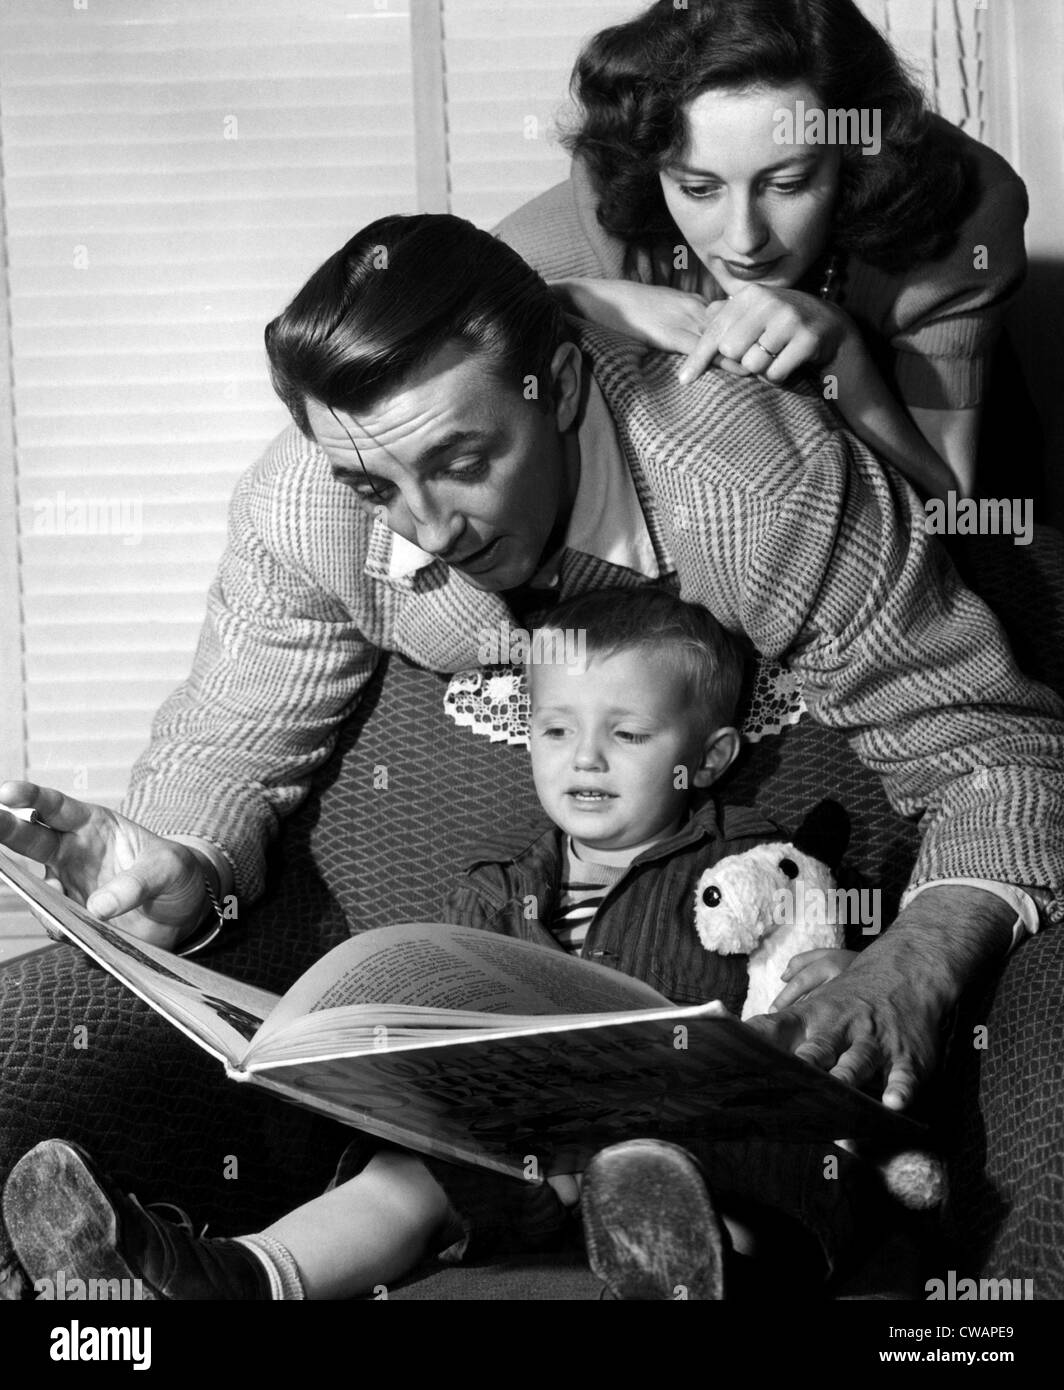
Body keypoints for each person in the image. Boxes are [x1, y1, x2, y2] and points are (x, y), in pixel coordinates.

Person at [0, 213, 1061, 1285]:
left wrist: (908, 966)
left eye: (461, 462)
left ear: (555, 386)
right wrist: (182, 866)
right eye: (378, 487)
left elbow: (991, 747)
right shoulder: (308, 503)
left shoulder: (753, 483)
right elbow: (226, 746)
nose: (426, 529)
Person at [3, 588, 870, 1301]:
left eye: (628, 734)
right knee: (400, 1175)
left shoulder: (753, 867)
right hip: (515, 1156)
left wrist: (823, 981)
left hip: (684, 1147)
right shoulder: (497, 890)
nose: (586, 760)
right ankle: (220, 1280)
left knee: (705, 1173)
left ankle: (696, 1275)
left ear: (710, 756)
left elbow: (808, 985)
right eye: (557, 730)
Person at [495, 0, 1029, 499]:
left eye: (789, 183)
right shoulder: (599, 210)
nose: (745, 239)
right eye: (698, 189)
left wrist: (840, 350)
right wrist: (576, 298)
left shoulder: (967, 212)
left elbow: (951, 505)